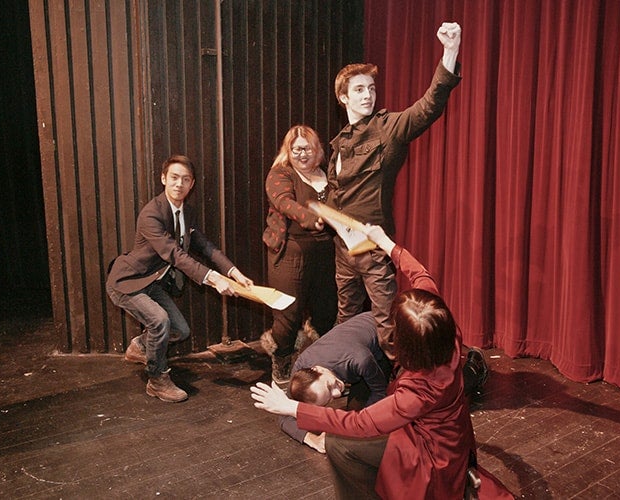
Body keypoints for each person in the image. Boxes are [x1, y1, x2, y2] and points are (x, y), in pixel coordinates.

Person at [251, 224, 512, 500]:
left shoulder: (420, 391)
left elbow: (361, 423)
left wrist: (292, 407)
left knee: (340, 445)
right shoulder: (443, 329)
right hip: (450, 432)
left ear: (407, 344)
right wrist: (384, 242)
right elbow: (420, 274)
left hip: (431, 453)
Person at [327, 22, 463, 358]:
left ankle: (402, 382)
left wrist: (450, 52)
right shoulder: (339, 143)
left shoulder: (387, 128)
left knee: (388, 325)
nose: (368, 95)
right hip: (343, 249)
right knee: (345, 321)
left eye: (371, 89)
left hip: (374, 247)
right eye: (359, 90)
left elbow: (428, 106)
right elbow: (334, 197)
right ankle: (349, 375)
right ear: (343, 97)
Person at [106, 154, 253, 403]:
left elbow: (204, 246)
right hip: (127, 282)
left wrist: (232, 272)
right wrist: (213, 279)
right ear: (164, 178)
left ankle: (141, 347)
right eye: (174, 177)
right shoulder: (151, 214)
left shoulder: (186, 212)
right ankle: (157, 380)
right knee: (160, 321)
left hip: (151, 282)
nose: (179, 184)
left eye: (185, 179)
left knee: (180, 330)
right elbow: (174, 254)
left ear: (192, 184)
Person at [261, 125, 337, 386]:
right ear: (288, 151)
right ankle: (281, 365)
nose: (302, 154)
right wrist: (309, 217)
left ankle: (318, 364)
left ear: (317, 150)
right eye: (296, 149)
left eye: (307, 149)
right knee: (288, 315)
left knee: (326, 312)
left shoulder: (327, 175)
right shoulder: (280, 173)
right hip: (290, 253)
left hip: (326, 255)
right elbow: (284, 202)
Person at [280, 311, 392, 453]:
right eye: (330, 399)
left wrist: (360, 423)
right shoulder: (301, 370)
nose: (337, 393)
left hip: (385, 334)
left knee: (361, 422)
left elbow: (380, 392)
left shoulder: (358, 359)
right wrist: (312, 439)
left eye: (329, 386)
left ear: (318, 369)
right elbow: (284, 417)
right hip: (356, 366)